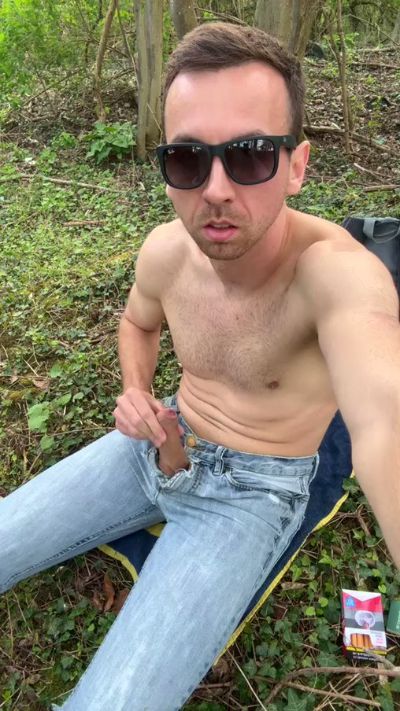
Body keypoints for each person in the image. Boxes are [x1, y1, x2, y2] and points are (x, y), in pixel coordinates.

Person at [1, 21, 400, 711]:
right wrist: (135, 390)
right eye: (188, 159)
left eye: (250, 155)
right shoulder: (165, 251)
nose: (215, 189)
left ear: (297, 164)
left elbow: (384, 422)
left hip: (249, 496)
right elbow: (137, 322)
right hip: (156, 442)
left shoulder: (335, 274)